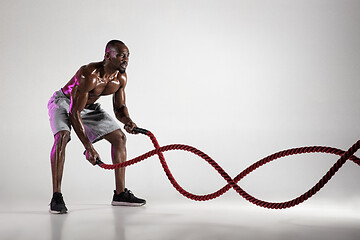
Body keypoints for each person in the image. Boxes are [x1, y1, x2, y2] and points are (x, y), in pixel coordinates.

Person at [47, 40, 146, 214]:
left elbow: (119, 108)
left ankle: (120, 194)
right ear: (108, 56)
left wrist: (128, 121)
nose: (126, 60)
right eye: (122, 55)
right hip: (65, 102)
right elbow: (74, 112)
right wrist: (88, 147)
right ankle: (56, 196)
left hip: (88, 108)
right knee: (62, 136)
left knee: (120, 137)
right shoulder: (89, 74)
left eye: (128, 56)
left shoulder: (120, 78)